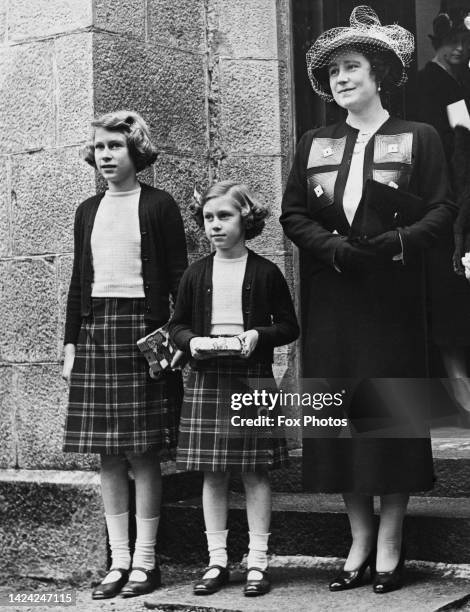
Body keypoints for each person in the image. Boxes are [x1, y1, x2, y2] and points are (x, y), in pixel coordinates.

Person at [280, 5, 456, 594]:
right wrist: (331, 248)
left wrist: (398, 240)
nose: (341, 79)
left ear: (379, 73)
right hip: (333, 300)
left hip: (393, 301)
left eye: (352, 67)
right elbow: (293, 214)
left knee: (389, 417)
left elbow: (442, 208)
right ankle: (356, 538)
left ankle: (390, 542)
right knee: (338, 419)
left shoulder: (420, 137)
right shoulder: (313, 142)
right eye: (333, 73)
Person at [61, 110, 187, 599]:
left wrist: (178, 336)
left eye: (115, 146)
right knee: (107, 454)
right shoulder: (87, 210)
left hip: (143, 331)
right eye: (98, 147)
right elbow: (79, 279)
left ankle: (146, 562)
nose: (105, 155)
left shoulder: (158, 205)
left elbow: (179, 277)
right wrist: (70, 341)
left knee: (142, 451)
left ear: (135, 151)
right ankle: (117, 561)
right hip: (96, 333)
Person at [169, 180, 299, 597]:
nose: (215, 225)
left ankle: (258, 560)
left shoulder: (265, 272)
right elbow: (177, 326)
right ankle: (217, 560)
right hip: (208, 378)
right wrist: (190, 342)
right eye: (208, 218)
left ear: (246, 218)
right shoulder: (195, 273)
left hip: (251, 378)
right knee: (213, 474)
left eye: (224, 216)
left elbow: (289, 326)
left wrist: (259, 335)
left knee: (256, 473)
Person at [413, 2, 470, 423]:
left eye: (465, 44)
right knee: (450, 304)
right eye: (452, 43)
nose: (459, 50)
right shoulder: (426, 86)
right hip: (444, 200)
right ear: (437, 43)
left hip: (464, 196)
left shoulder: (460, 83)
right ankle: (461, 394)